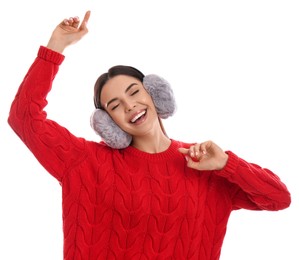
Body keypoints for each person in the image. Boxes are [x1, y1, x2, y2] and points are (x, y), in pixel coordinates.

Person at [8, 10, 291, 260]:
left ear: (155, 94)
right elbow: (23, 117)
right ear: (108, 123)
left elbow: (279, 198)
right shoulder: (85, 162)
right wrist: (56, 45)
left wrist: (227, 164)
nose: (130, 105)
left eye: (134, 92)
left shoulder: (204, 162)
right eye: (115, 105)